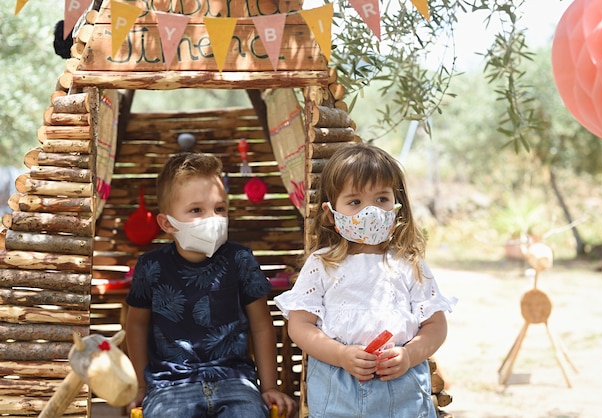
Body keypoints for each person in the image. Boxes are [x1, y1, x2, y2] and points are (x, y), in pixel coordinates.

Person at [275, 143, 456, 418]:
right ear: (331, 212)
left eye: (381, 199)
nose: (370, 212)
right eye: (355, 202)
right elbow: (300, 326)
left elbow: (435, 325)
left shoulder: (409, 263)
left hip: (401, 387)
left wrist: (409, 356)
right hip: (337, 385)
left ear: (397, 206)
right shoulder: (322, 264)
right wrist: (340, 355)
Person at [125, 152, 297, 418]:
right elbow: (136, 325)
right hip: (169, 387)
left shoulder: (240, 259)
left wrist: (269, 386)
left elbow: (262, 325)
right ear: (167, 223)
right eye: (196, 210)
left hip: (236, 383)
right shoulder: (150, 267)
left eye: (220, 209)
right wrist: (140, 385)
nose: (213, 218)